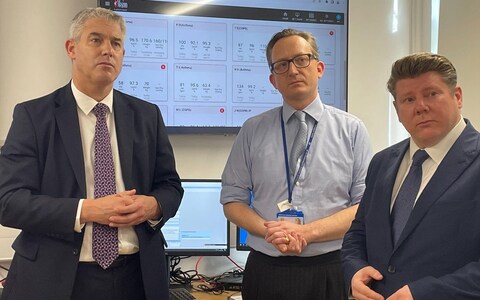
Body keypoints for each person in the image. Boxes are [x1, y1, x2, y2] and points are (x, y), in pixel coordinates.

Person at [0, 7, 183, 300]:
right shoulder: (34, 116)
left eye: (116, 43)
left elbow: (171, 187)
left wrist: (152, 206)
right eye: (96, 40)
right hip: (57, 280)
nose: (107, 50)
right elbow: (9, 202)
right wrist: (87, 210)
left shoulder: (147, 115)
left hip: (138, 278)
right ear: (72, 48)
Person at [220, 28, 372, 300]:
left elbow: (363, 206)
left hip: (329, 267)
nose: (292, 70)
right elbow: (232, 200)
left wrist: (306, 232)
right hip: (266, 268)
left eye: (301, 59)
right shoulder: (252, 130)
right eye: (282, 65)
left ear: (319, 68)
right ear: (273, 79)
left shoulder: (352, 130)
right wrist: (272, 231)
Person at [342, 52, 480, 300]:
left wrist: (424, 293)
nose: (420, 107)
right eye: (408, 99)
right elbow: (358, 232)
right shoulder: (382, 162)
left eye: (431, 94)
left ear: (457, 97)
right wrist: (354, 270)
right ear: (396, 109)